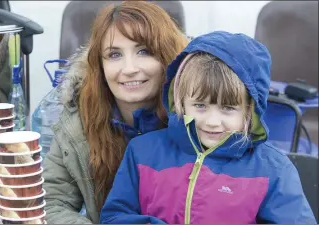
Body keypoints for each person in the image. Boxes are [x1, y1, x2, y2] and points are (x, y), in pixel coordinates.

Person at [100, 31, 316, 224]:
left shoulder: (274, 169)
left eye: (228, 108)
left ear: (250, 110)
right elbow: (114, 216)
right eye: (200, 106)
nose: (213, 121)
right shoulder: (142, 151)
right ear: (180, 102)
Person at [42, 1, 188, 224]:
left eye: (144, 51)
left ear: (167, 57)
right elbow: (51, 202)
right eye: (114, 55)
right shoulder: (79, 119)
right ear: (99, 65)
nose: (129, 69)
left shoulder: (199, 117)